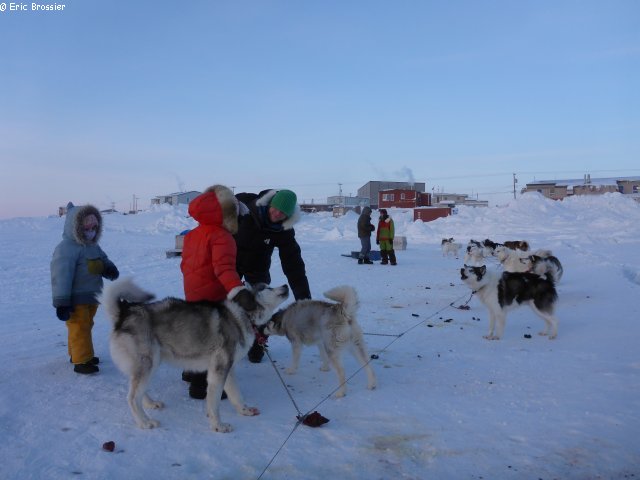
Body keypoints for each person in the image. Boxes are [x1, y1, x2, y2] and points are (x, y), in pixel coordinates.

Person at [180, 185, 257, 399]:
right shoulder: (222, 237)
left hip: (193, 294)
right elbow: (224, 269)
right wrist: (238, 291)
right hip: (213, 298)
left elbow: (185, 265)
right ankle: (201, 386)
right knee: (213, 343)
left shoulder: (192, 235)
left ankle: (190, 373)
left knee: (197, 337)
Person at [234, 189, 312, 363]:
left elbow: (294, 265)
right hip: (230, 261)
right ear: (269, 204)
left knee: (262, 305)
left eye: (283, 213)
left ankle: (257, 343)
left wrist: (304, 299)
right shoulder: (245, 208)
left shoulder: (284, 230)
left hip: (258, 265)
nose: (277, 214)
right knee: (222, 302)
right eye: (275, 208)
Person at [50, 202, 119, 374]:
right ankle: (82, 360)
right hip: (76, 298)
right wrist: (62, 302)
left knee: (84, 325)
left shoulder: (93, 246)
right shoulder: (66, 248)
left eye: (94, 228)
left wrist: (109, 268)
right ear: (76, 228)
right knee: (79, 326)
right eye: (87, 229)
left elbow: (103, 259)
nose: (91, 232)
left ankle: (78, 353)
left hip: (92, 296)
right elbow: (61, 276)